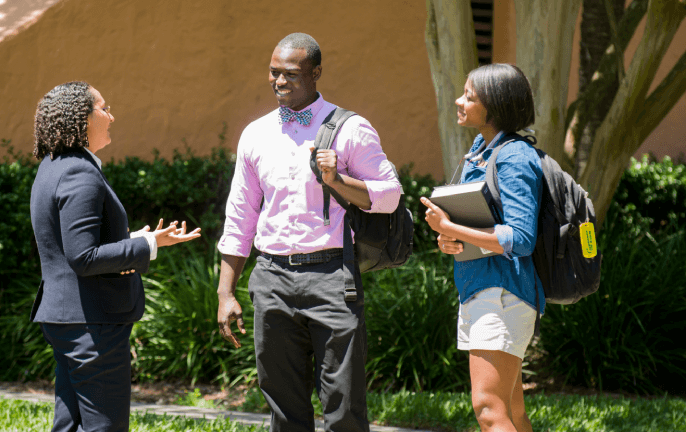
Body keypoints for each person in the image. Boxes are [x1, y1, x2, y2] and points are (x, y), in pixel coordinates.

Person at [216, 33, 402, 432]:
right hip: (271, 278)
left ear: (316, 73)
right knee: (282, 406)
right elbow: (240, 217)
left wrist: (337, 180)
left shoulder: (351, 128)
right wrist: (225, 291)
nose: (280, 82)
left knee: (344, 406)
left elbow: (389, 196)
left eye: (292, 74)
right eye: (273, 73)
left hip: (333, 278)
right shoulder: (256, 134)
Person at [29, 81, 201, 432]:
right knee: (104, 426)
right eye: (103, 108)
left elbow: (74, 247)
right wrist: (148, 246)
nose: (111, 116)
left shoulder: (53, 166)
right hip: (92, 323)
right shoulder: (80, 172)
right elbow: (84, 257)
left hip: (69, 319)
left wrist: (137, 238)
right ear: (81, 118)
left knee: (71, 424)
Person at [420, 64, 543, 432]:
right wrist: (451, 239)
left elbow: (520, 237)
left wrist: (450, 226)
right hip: (483, 290)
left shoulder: (514, 157)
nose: (459, 101)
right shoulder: (481, 150)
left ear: (496, 105)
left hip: (502, 294)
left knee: (489, 410)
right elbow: (481, 222)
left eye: (469, 97)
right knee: (511, 411)